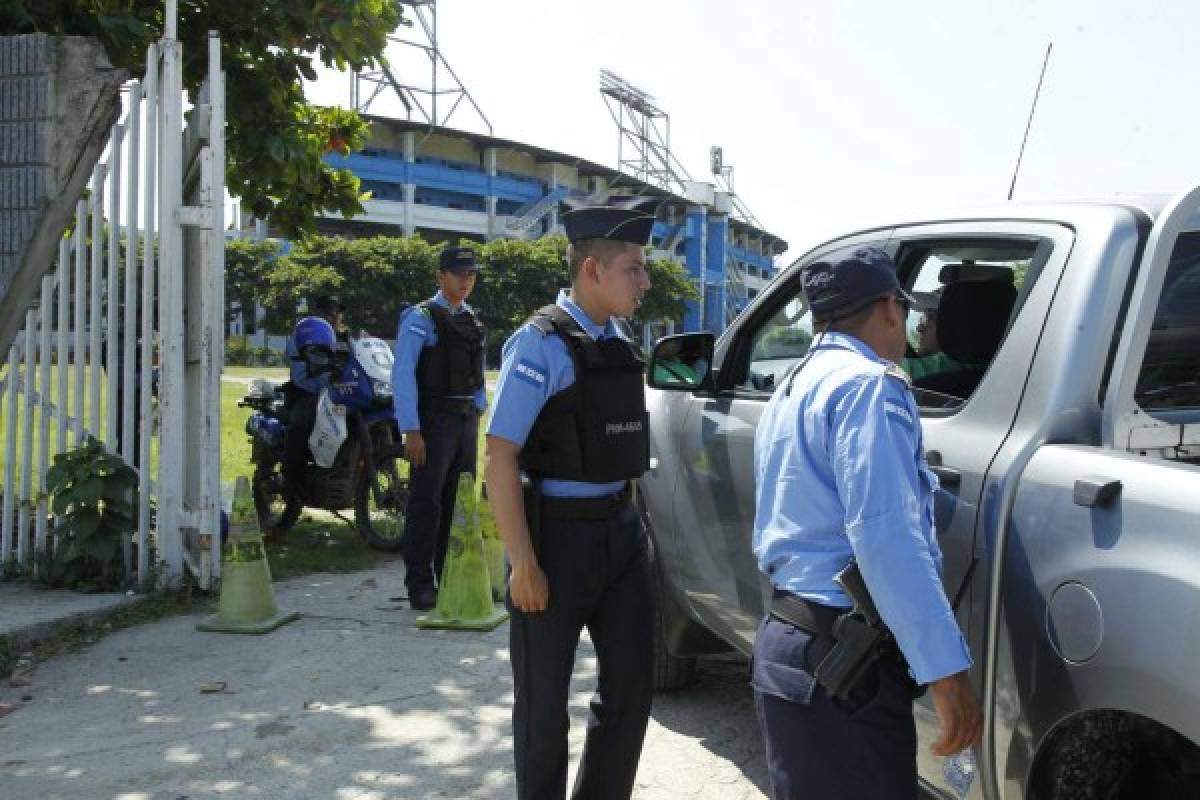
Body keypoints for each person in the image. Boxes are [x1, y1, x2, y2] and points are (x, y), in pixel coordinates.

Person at [750, 245, 983, 800]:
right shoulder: (871, 386)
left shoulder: (792, 385)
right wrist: (947, 675)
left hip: (788, 648)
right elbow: (887, 540)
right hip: (844, 668)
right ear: (888, 308)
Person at [485, 195, 659, 800]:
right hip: (556, 541)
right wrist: (524, 563)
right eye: (633, 267)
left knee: (634, 686)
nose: (645, 279)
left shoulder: (618, 337)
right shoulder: (539, 345)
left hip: (621, 535)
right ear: (593, 270)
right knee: (542, 709)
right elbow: (499, 456)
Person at [392, 246, 487, 611]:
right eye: (459, 273)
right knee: (425, 503)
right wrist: (411, 430)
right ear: (440, 276)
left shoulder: (470, 319)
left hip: (464, 421)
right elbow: (403, 375)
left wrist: (478, 408)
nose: (466, 280)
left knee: (458, 500)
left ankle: (449, 573)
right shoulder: (421, 318)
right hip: (433, 421)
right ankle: (419, 583)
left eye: (471, 274)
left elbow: (475, 369)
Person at [282, 294, 346, 501]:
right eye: (330, 312)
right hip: (307, 393)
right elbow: (300, 375)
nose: (335, 317)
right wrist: (325, 381)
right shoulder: (303, 334)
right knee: (304, 420)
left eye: (337, 312)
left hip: (337, 394)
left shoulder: (344, 338)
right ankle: (290, 477)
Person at [902, 286, 962, 381]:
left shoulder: (951, 367)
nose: (919, 328)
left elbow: (891, 371)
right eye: (923, 318)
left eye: (929, 318)